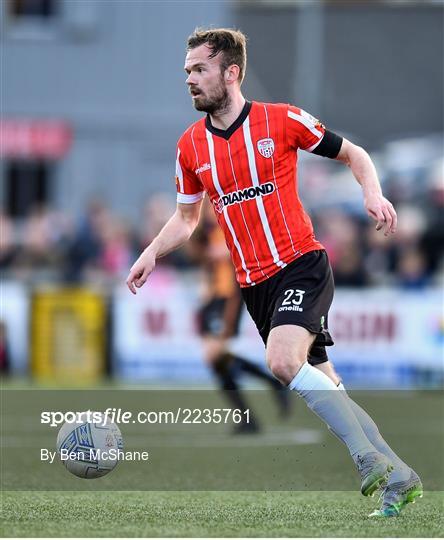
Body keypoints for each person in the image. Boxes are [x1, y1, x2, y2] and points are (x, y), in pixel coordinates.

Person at [126, 28, 422, 517]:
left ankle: (365, 458)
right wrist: (151, 252)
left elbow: (354, 153)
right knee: (329, 386)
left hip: (301, 265)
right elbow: (186, 218)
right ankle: (401, 475)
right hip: (254, 287)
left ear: (231, 72)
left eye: (199, 69)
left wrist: (372, 193)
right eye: (187, 72)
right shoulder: (190, 148)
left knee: (282, 363)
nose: (190, 80)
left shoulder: (280, 120)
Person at [189, 198, 291, 434]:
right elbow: (199, 255)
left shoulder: (232, 221)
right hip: (213, 298)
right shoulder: (207, 230)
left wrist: (220, 253)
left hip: (227, 298)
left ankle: (258, 403)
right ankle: (253, 412)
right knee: (217, 362)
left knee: (215, 356)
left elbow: (243, 250)